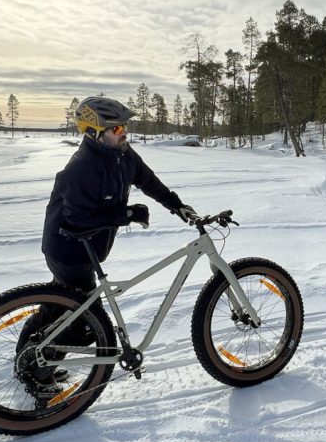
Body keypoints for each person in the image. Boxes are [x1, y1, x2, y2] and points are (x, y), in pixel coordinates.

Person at [19, 96, 198, 397]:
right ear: (94, 133)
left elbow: (149, 182)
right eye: (116, 129)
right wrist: (126, 214)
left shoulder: (123, 155)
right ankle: (37, 369)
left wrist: (177, 206)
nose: (124, 132)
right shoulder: (81, 167)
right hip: (68, 249)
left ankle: (32, 361)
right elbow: (77, 218)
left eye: (124, 127)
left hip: (86, 249)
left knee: (58, 308)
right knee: (88, 324)